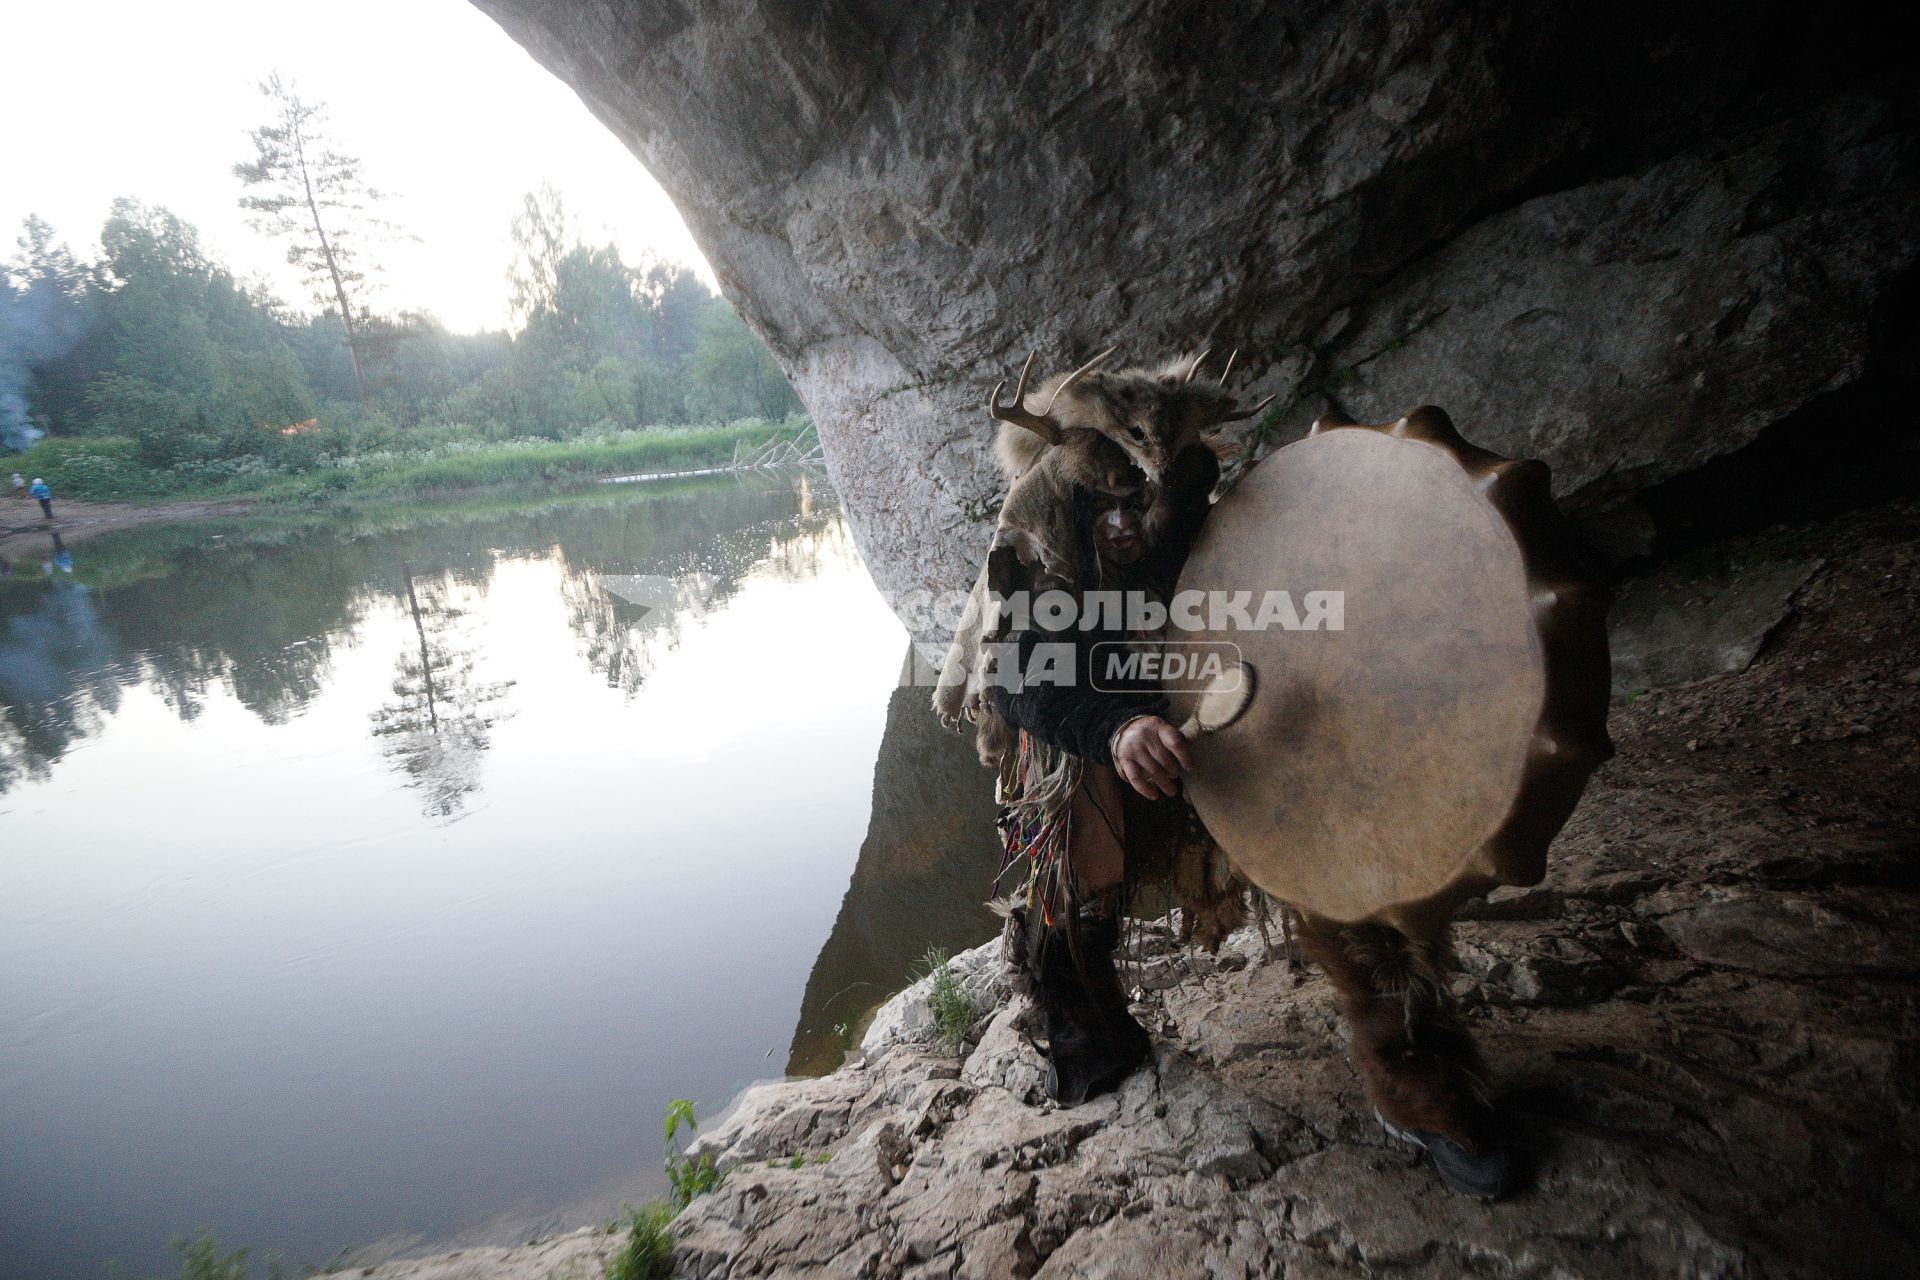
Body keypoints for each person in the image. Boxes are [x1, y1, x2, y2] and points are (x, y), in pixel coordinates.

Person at [986, 442, 1511, 1199]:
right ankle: (1084, 1019)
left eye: (1138, 500)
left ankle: (1410, 1070)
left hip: (1229, 725)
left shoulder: (1203, 529)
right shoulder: (1046, 568)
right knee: (1073, 858)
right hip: (1106, 749)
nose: (1128, 523)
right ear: (1071, 515)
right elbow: (1013, 676)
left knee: (1337, 827)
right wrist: (1114, 728)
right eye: (1108, 511)